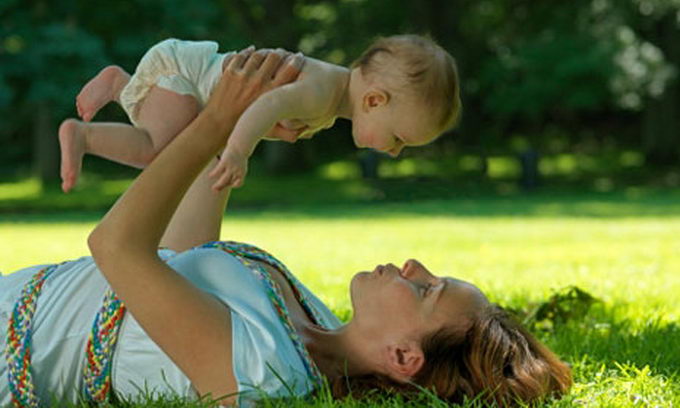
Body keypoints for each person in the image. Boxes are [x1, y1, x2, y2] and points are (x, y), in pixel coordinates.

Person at [2, 49, 571, 407]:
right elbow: (180, 257)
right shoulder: (308, 315)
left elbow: (117, 248)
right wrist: (237, 133)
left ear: (403, 357)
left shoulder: (268, 374)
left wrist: (219, 122)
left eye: (426, 290)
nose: (414, 267)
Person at [57, 34, 462, 193]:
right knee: (158, 151)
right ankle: (83, 135)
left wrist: (258, 131)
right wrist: (238, 151)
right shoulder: (321, 93)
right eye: (400, 139)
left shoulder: (331, 96)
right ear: (374, 101)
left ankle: (120, 85)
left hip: (189, 79)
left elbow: (264, 110)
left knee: (176, 147)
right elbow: (267, 105)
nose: (394, 152)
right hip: (185, 75)